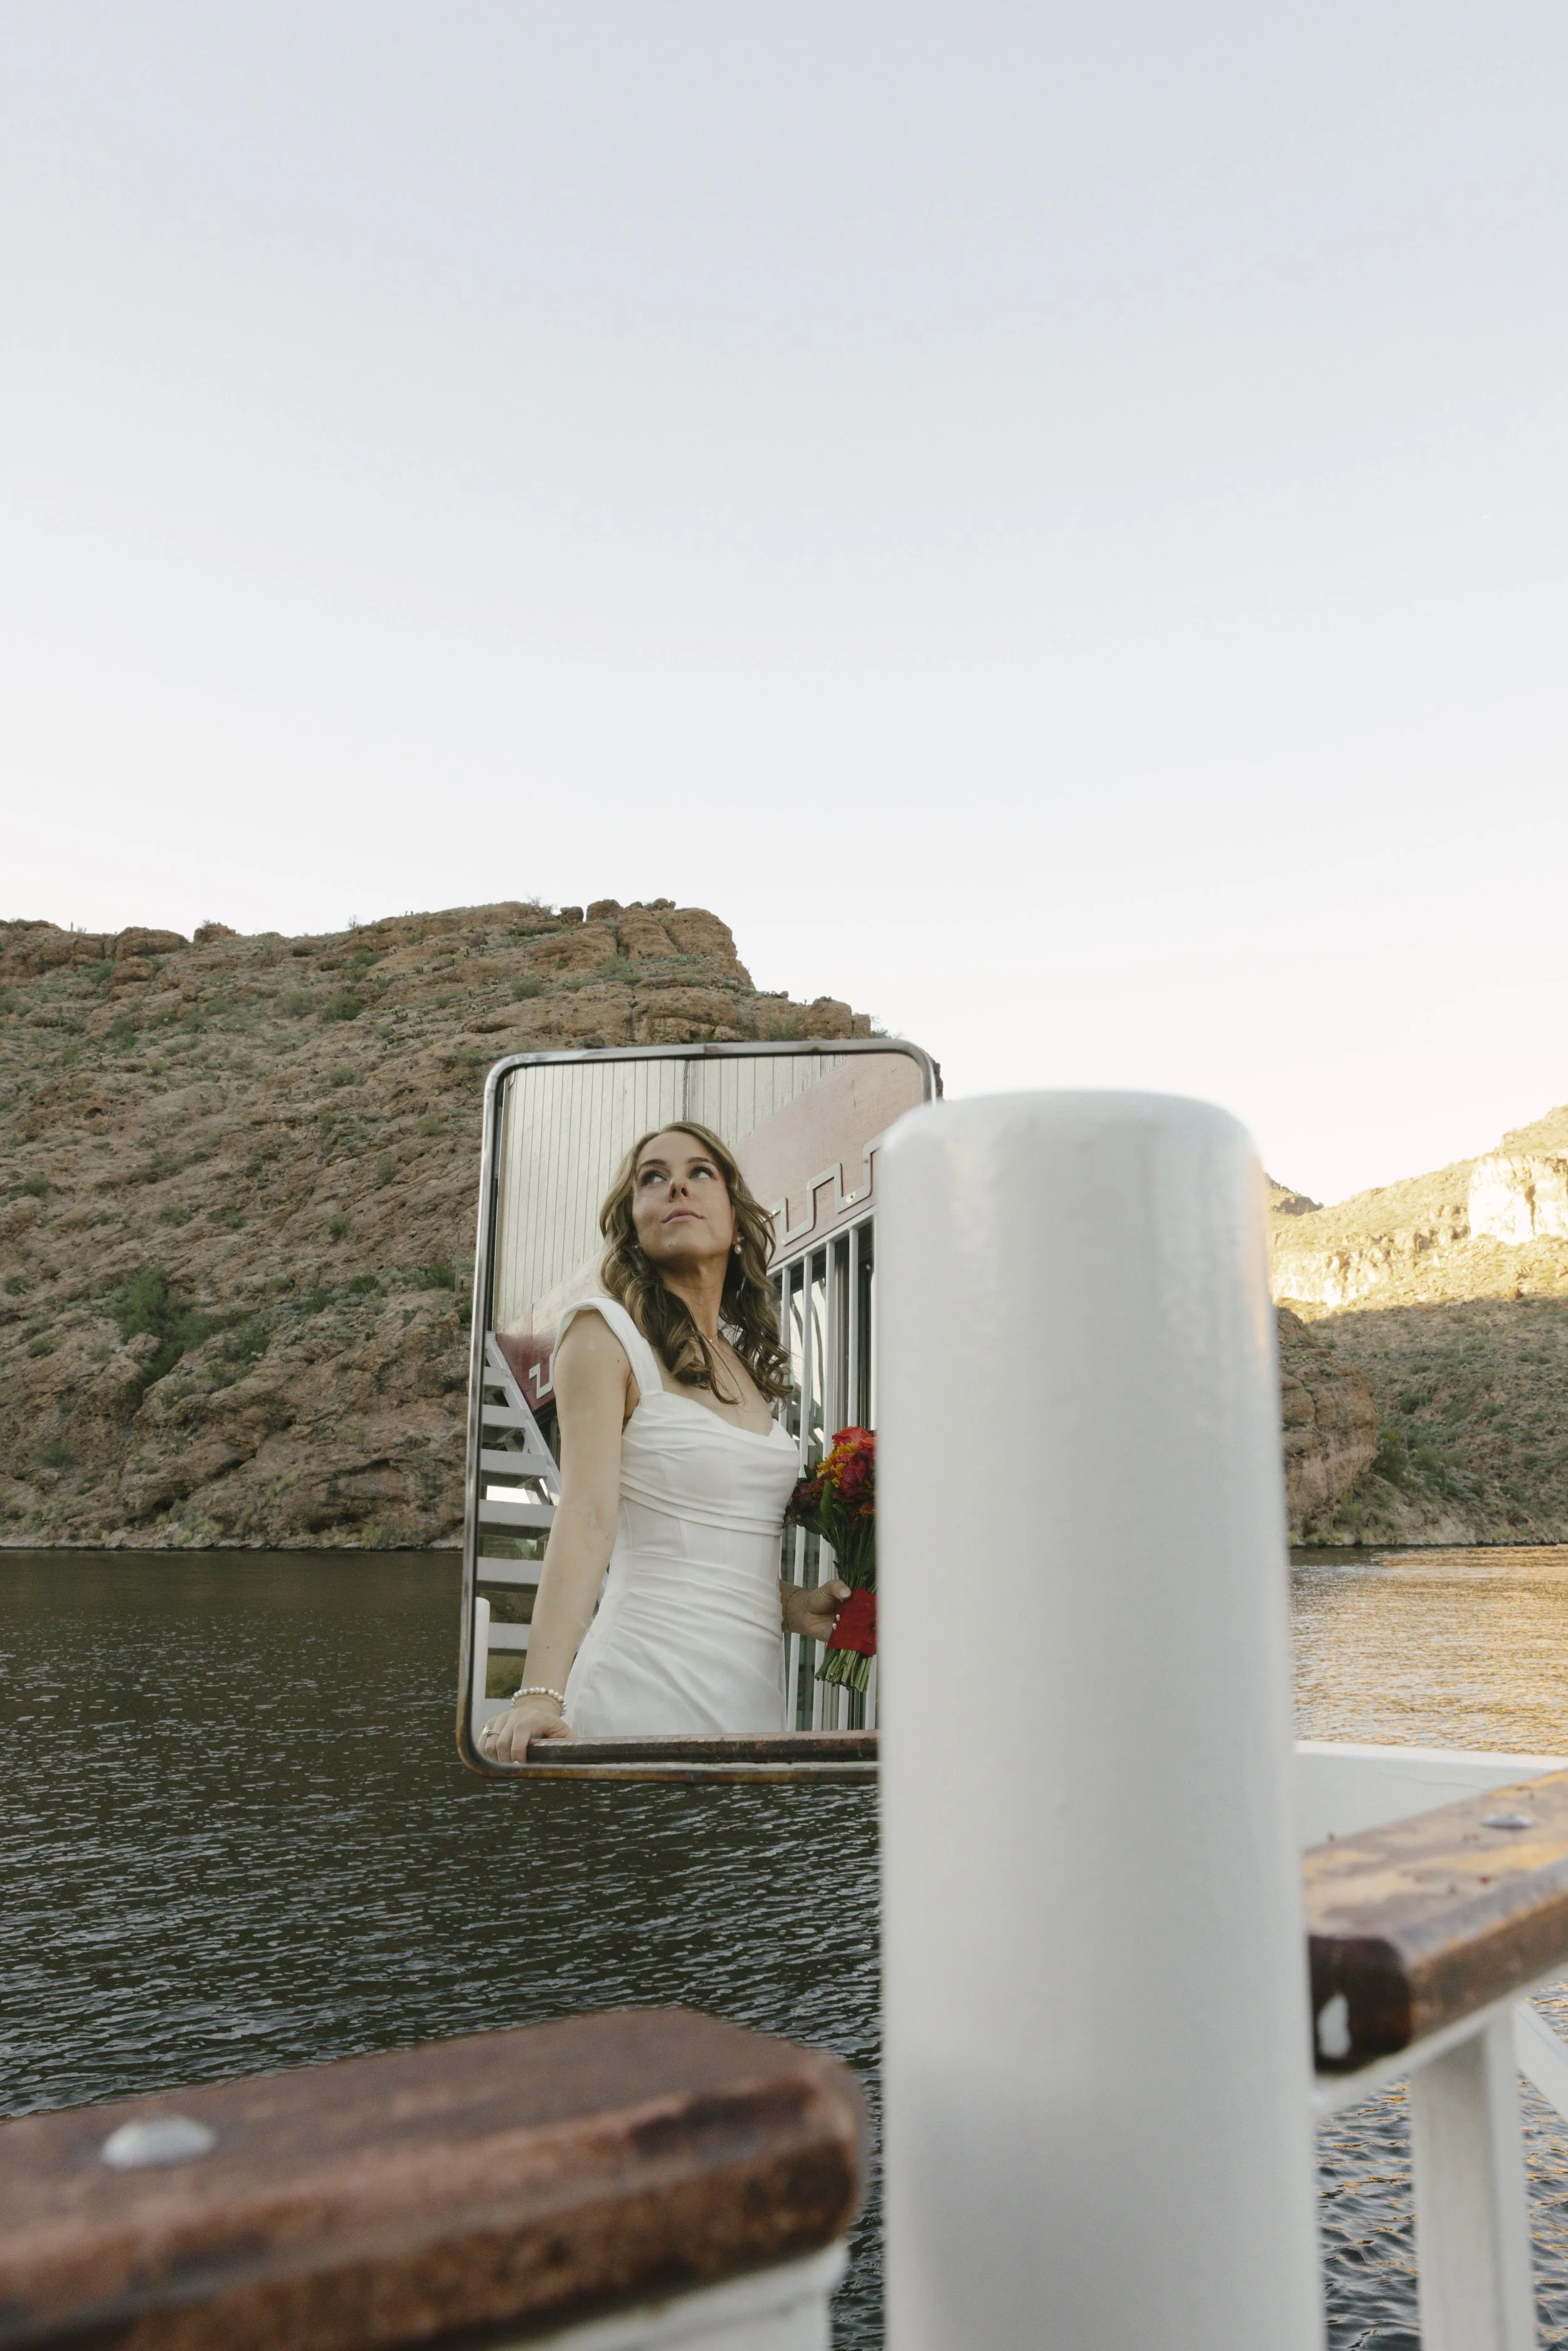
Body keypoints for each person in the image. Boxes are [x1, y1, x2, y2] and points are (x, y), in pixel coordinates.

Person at [479, 1122, 847, 1762]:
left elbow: (716, 1548)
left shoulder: (744, 1366)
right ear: (635, 1224)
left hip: (753, 1695)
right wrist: (539, 1693)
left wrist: (798, 1604)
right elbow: (587, 1517)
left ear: (736, 1223)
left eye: (700, 1171)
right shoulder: (603, 1334)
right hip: (641, 1683)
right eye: (653, 1176)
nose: (676, 1181)